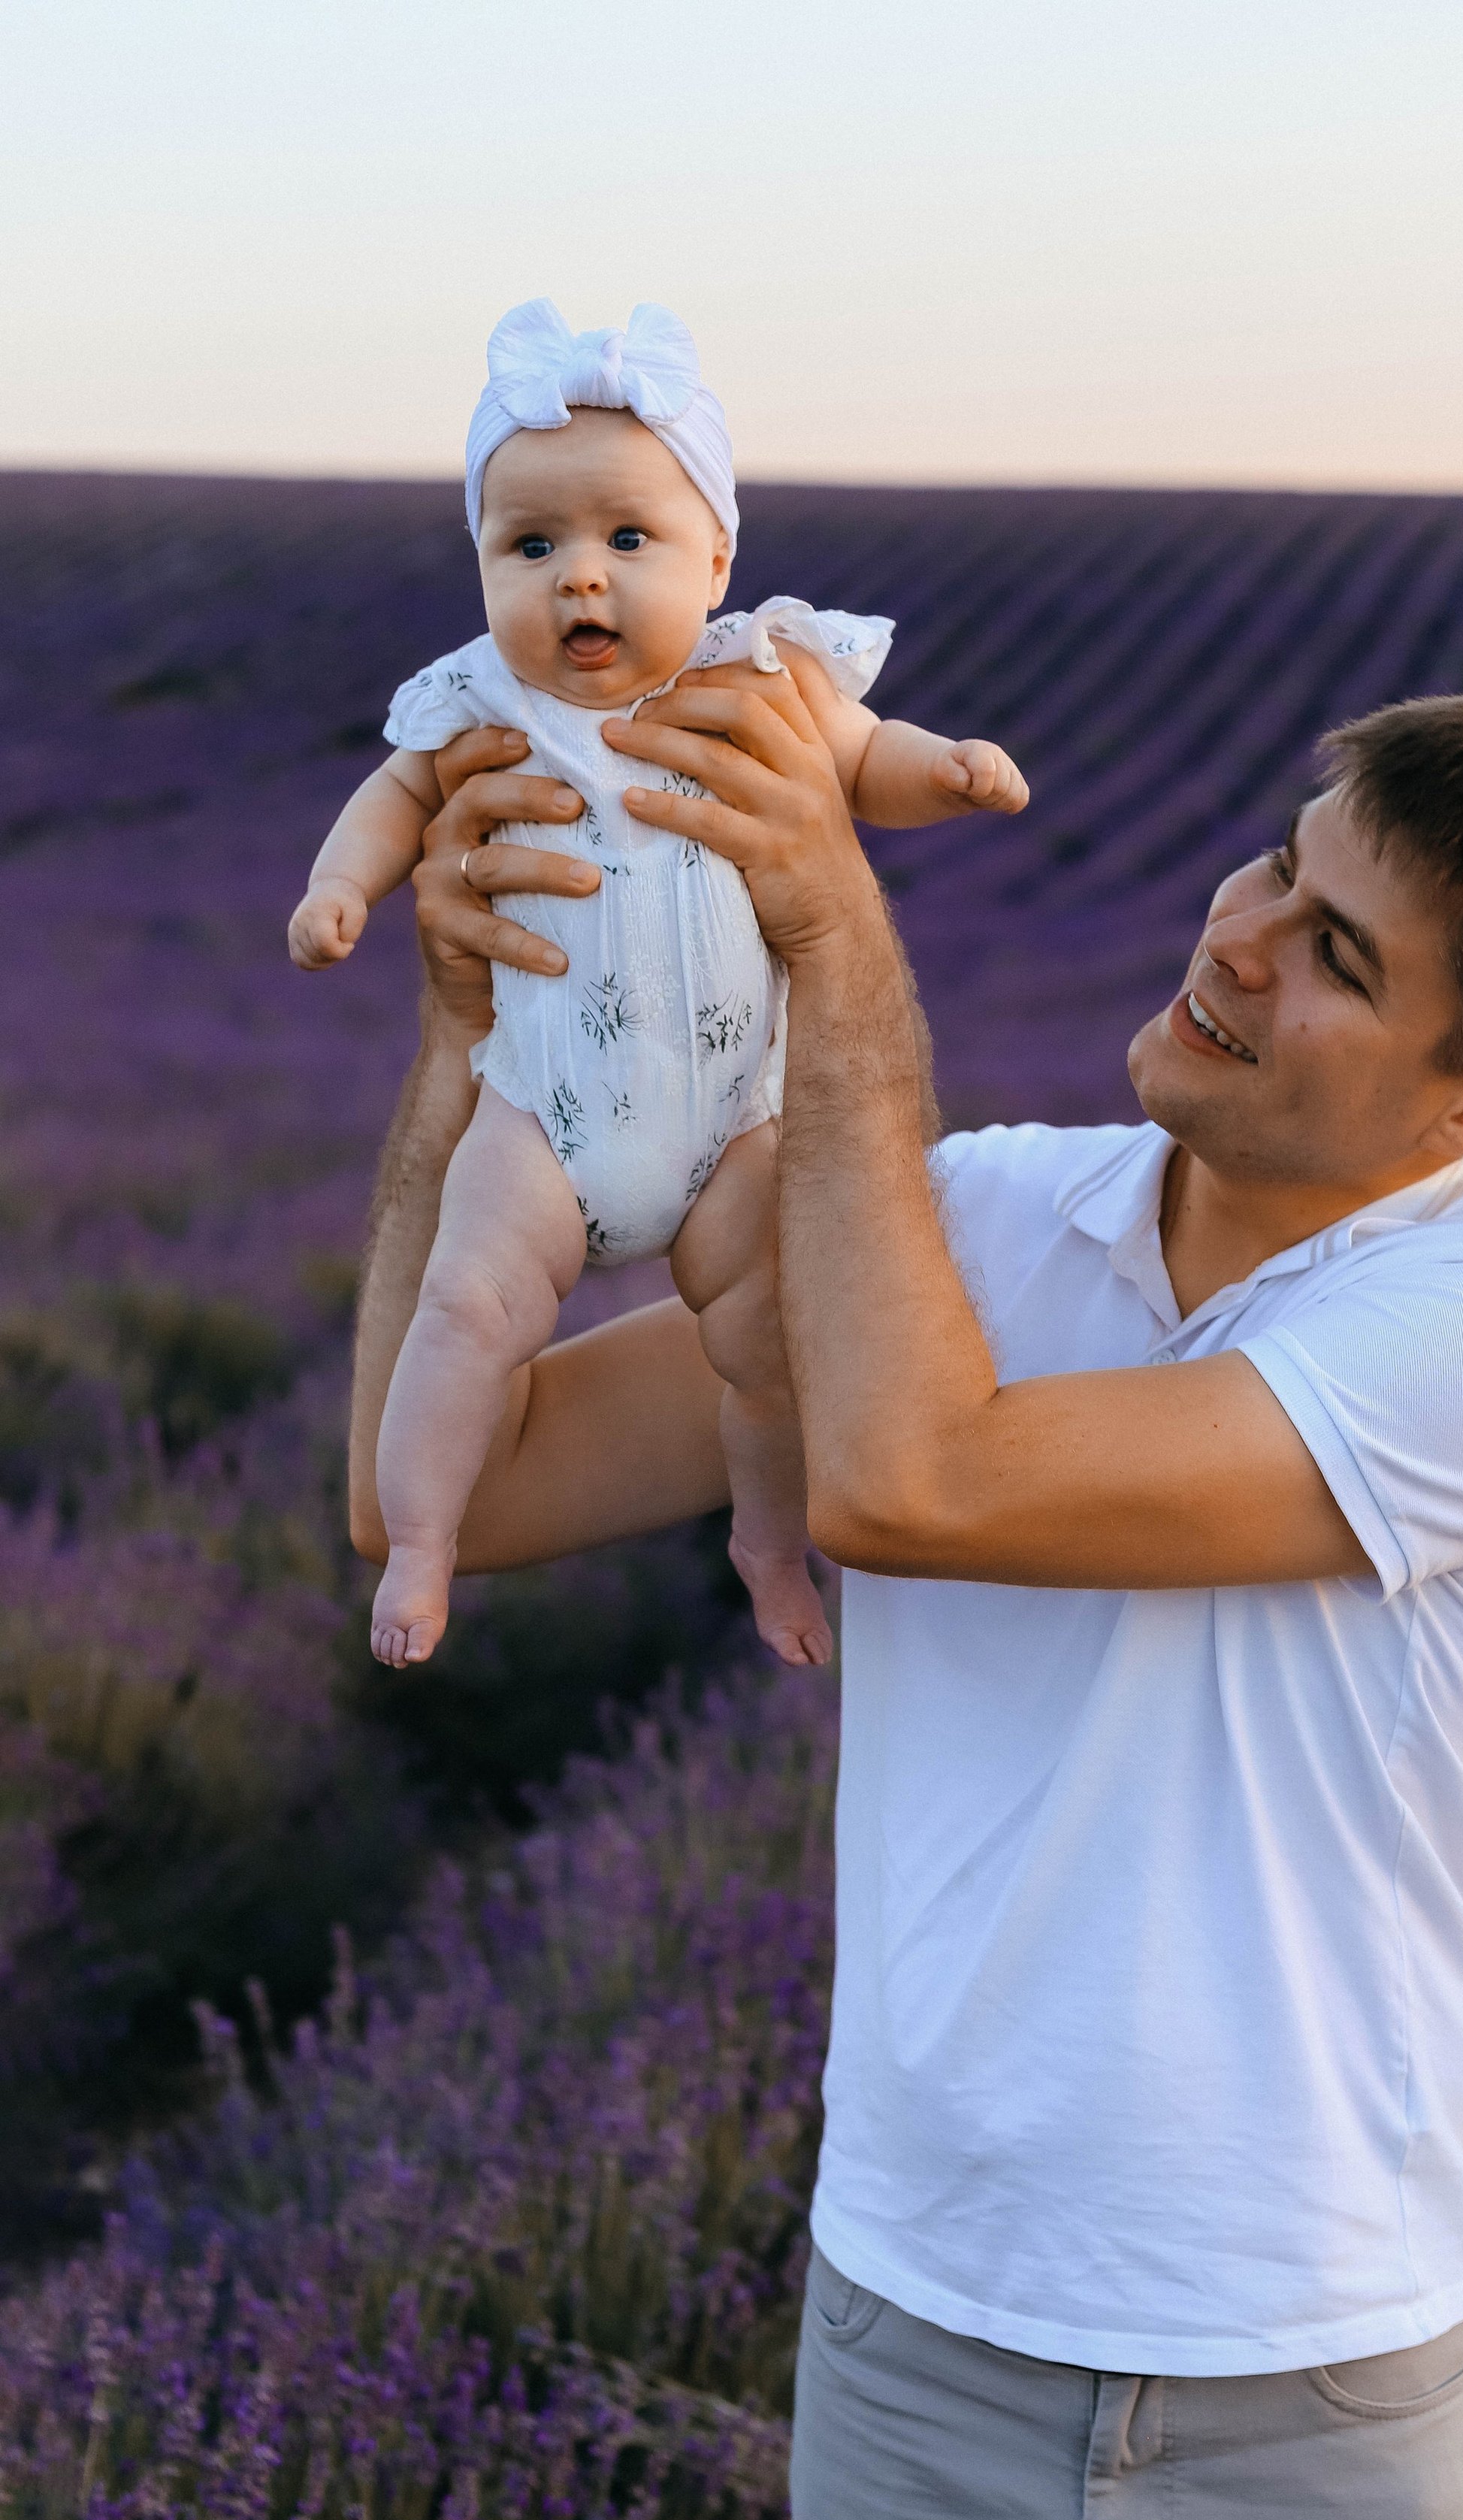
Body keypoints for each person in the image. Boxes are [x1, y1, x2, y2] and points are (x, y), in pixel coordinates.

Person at [349, 670, 1463, 2520]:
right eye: (1275, 862)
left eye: (1335, 951)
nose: (1237, 935)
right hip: (911, 2358)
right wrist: (465, 1051)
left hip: (1305, 2402)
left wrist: (832, 947)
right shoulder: (972, 1224)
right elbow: (450, 1487)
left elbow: (916, 1484)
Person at [291, 298, 1024, 1672]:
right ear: (481, 565)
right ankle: (426, 1544)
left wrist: (950, 770)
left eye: (629, 540)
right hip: (542, 1115)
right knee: (463, 1313)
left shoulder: (764, 674)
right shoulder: (481, 704)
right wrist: (341, 889)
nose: (582, 579)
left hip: (728, 1120)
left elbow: (870, 757)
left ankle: (768, 1543)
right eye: (532, 547)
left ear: (719, 556)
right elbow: (391, 800)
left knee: (769, 1350)